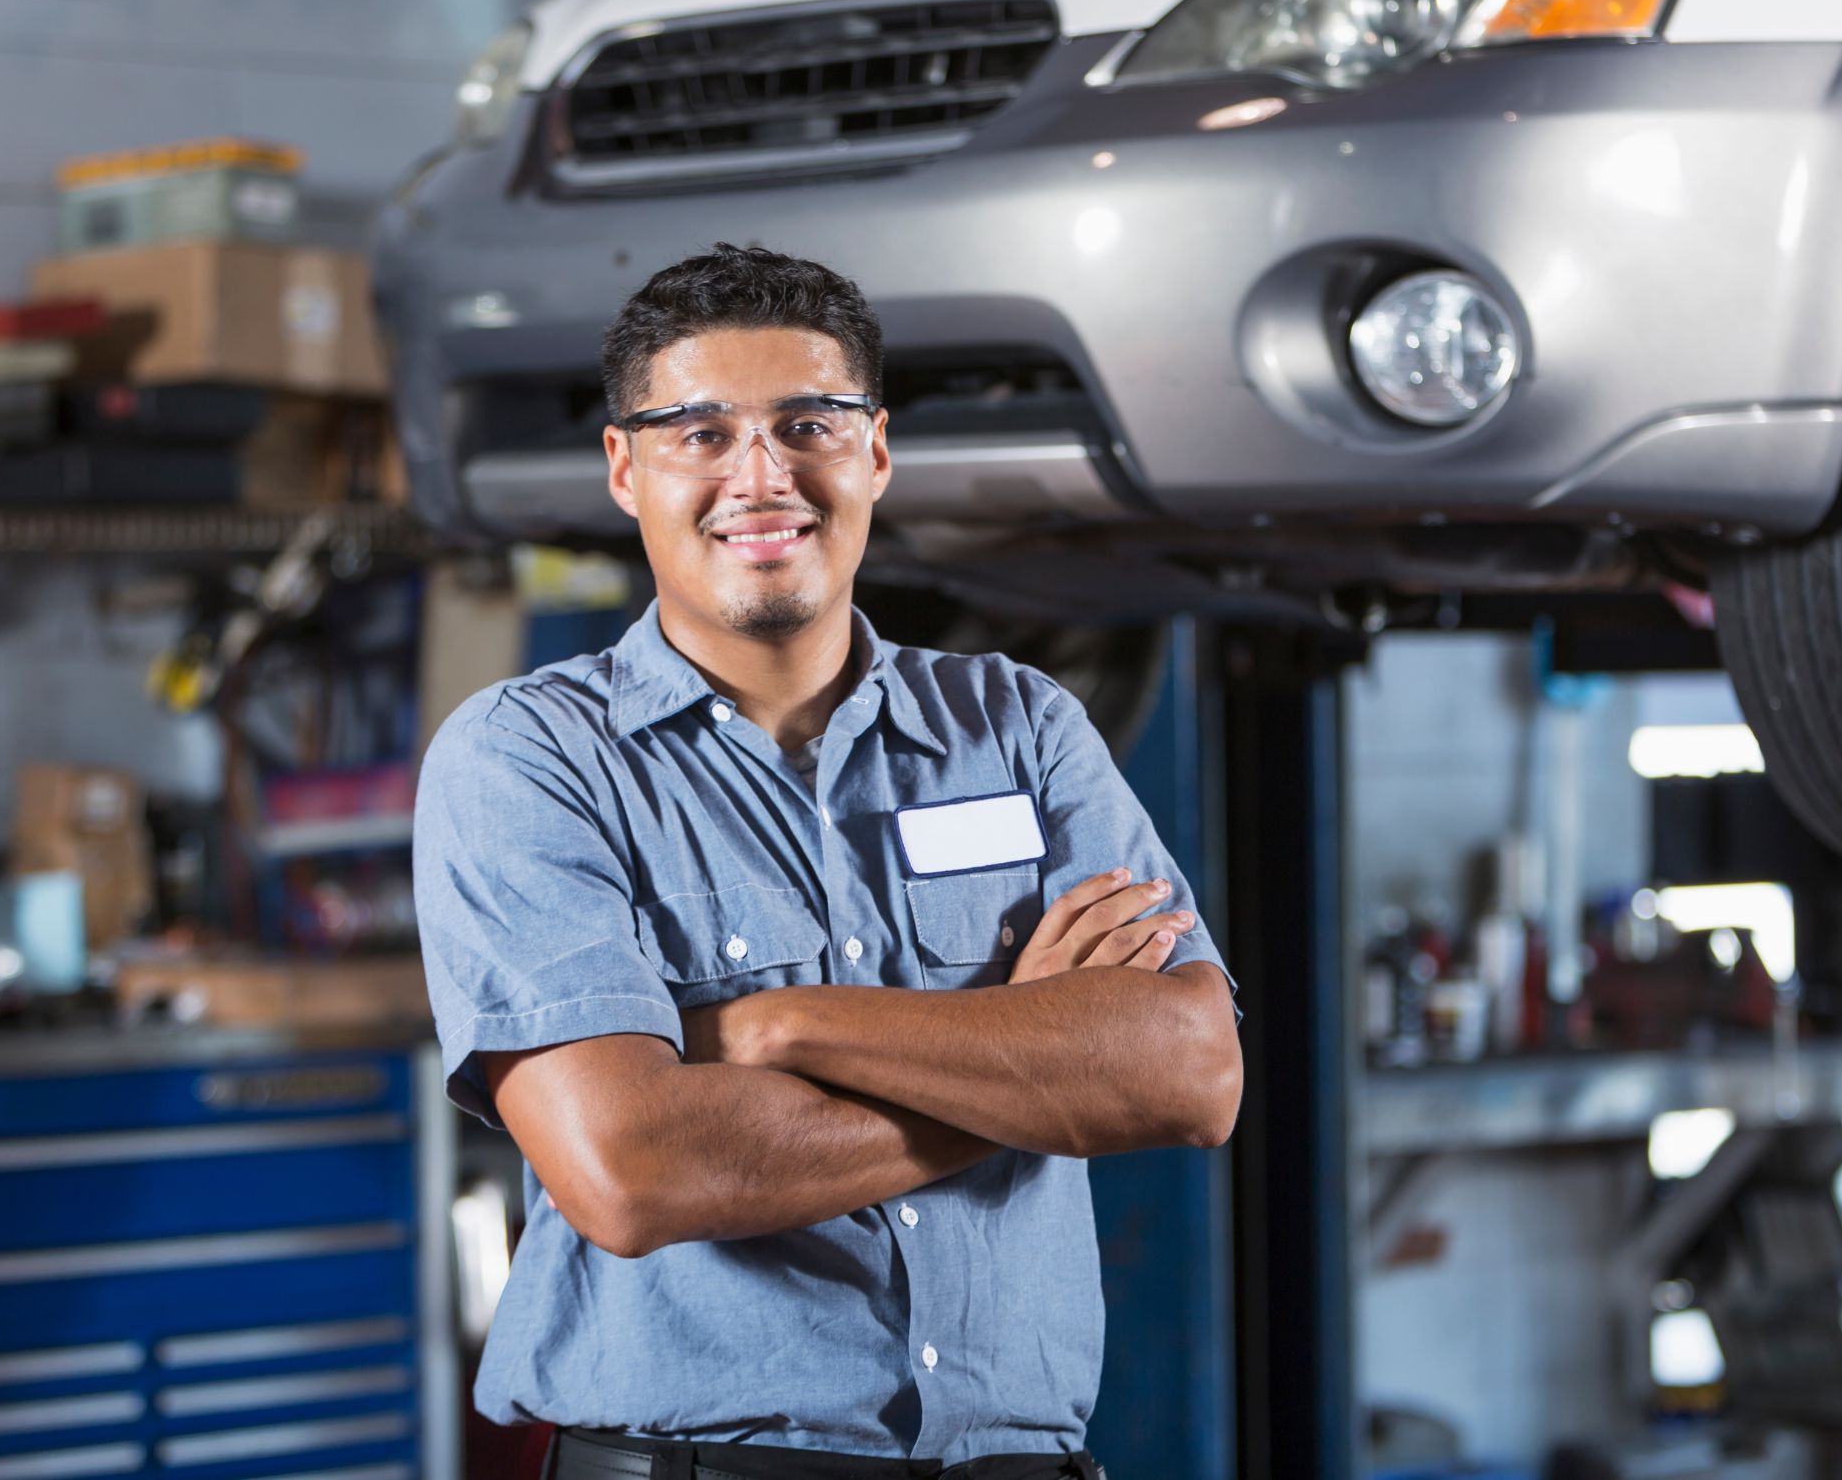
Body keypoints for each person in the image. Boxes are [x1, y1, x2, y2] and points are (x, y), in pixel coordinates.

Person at [413, 242, 1244, 1480]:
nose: (762, 475)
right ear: (623, 468)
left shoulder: (1016, 728)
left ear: (876, 453)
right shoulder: (529, 761)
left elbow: (1189, 1078)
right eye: (699, 433)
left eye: (809, 423)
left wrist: (781, 1025)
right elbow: (631, 1172)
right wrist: (1025, 1068)